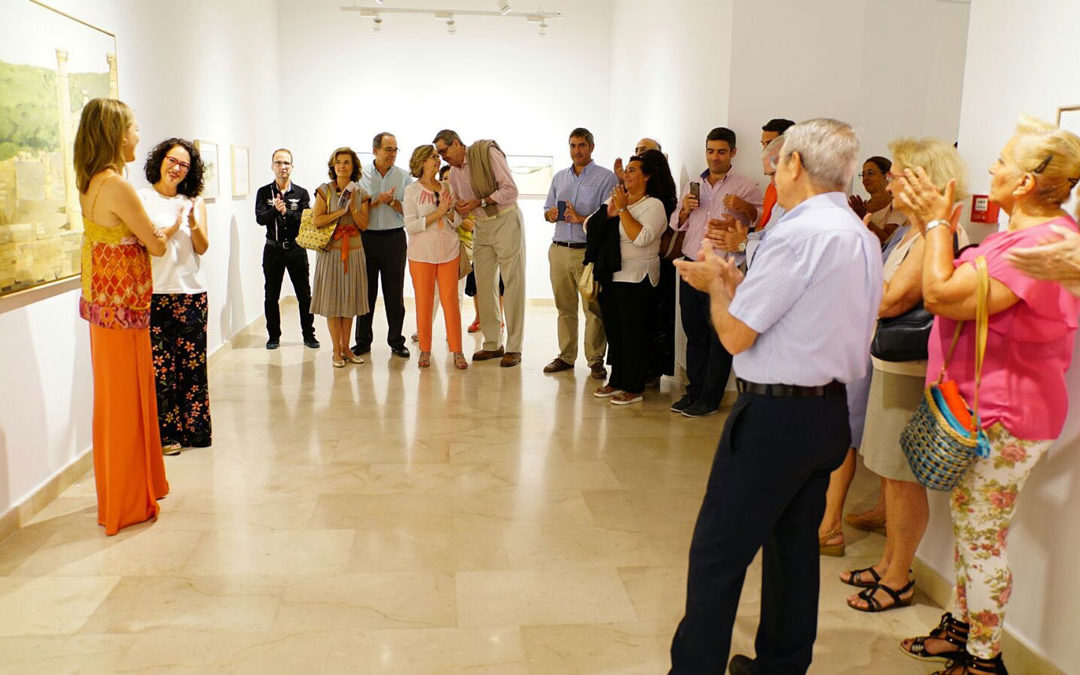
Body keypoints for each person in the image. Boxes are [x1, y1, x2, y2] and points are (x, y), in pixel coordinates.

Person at [668, 118, 882, 674]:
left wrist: (716, 284)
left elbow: (738, 334)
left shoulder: (797, 233)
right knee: (793, 551)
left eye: (776, 158)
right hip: (826, 412)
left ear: (794, 165)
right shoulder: (856, 232)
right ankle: (781, 666)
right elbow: (799, 313)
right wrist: (733, 282)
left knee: (719, 550)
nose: (772, 169)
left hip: (775, 416)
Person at [897, 116, 1080, 675]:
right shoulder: (1016, 237)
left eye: (1003, 161)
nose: (993, 169)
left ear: (1025, 183)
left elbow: (942, 294)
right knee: (972, 526)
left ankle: (984, 659)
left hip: (1006, 415)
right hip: (985, 409)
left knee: (981, 538)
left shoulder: (1047, 245)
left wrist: (934, 227)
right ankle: (962, 627)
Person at [836, 140, 966, 606]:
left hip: (912, 372)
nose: (890, 181)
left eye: (899, 174)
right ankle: (890, 564)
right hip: (891, 363)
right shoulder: (913, 232)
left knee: (903, 476)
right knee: (891, 475)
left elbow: (892, 301)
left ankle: (899, 577)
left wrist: (862, 282)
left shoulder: (938, 233)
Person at [74, 98, 171, 535]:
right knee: (128, 402)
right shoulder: (117, 186)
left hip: (104, 310)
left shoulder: (88, 183)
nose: (138, 135)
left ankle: (130, 488)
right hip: (124, 311)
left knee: (115, 401)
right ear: (116, 134)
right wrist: (157, 233)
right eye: (133, 127)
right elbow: (156, 245)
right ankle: (129, 500)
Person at [669, 127, 763, 418]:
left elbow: (760, 223)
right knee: (693, 333)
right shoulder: (693, 184)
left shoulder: (747, 186)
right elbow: (675, 224)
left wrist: (744, 207)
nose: (715, 157)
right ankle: (694, 391)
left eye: (721, 151)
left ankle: (710, 399)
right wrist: (684, 209)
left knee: (717, 336)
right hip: (692, 266)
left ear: (733, 152)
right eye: (711, 151)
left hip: (722, 270)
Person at [139, 138, 212, 456]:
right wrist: (168, 228)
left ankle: (195, 431)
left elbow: (202, 247)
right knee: (161, 369)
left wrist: (193, 222)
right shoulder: (141, 199)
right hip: (155, 293)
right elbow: (145, 244)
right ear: (160, 160)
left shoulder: (195, 200)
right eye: (172, 160)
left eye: (184, 164)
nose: (177, 168)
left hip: (191, 293)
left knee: (193, 367)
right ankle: (166, 435)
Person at [586, 150, 674, 405]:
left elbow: (642, 237)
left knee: (633, 333)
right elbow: (589, 226)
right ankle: (617, 380)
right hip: (611, 274)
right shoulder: (616, 199)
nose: (627, 174)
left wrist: (622, 210)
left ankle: (634, 386)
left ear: (647, 177)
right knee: (615, 332)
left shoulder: (653, 205)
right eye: (626, 171)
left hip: (638, 278)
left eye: (633, 170)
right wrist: (611, 212)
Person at [433, 129, 524, 367]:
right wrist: (460, 207)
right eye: (438, 153)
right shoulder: (452, 174)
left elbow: (510, 190)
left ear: (456, 144)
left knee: (512, 283)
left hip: (505, 219)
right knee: (484, 284)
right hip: (481, 227)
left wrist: (480, 201)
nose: (442, 157)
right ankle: (493, 344)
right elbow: (463, 209)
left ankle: (514, 348)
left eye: (444, 151)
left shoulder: (487, 153)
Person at [543, 127, 618, 378]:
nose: (577, 151)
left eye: (582, 146)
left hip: (588, 252)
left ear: (591, 148)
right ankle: (566, 356)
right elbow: (547, 209)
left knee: (593, 309)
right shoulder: (560, 178)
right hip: (559, 250)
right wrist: (550, 214)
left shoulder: (606, 178)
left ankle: (595, 359)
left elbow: (609, 218)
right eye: (573, 146)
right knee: (564, 308)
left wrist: (581, 218)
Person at [403, 145, 467, 370]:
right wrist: (437, 214)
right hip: (421, 255)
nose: (437, 160)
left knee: (451, 302)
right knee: (424, 302)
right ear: (422, 161)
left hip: (449, 251)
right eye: (433, 157)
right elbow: (410, 226)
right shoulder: (411, 191)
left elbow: (458, 221)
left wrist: (449, 212)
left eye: (437, 157)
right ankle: (425, 350)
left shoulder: (448, 186)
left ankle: (457, 350)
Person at [310, 147, 370, 368]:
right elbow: (317, 220)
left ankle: (347, 347)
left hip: (354, 252)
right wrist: (340, 213)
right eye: (338, 162)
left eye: (347, 162)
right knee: (333, 302)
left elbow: (364, 225)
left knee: (349, 301)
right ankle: (336, 350)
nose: (342, 166)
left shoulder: (361, 192)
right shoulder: (324, 190)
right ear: (333, 167)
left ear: (353, 166)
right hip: (330, 253)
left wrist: (353, 208)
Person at [353, 132, 411, 359]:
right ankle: (362, 341)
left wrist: (394, 202)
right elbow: (354, 208)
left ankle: (396, 341)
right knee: (365, 293)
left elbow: (412, 210)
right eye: (388, 149)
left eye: (396, 150)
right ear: (375, 150)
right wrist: (376, 201)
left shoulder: (404, 177)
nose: (393, 154)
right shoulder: (361, 176)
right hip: (366, 239)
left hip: (394, 240)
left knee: (394, 294)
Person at [254, 149, 317, 350]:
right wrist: (274, 209)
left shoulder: (301, 193)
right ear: (272, 166)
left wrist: (287, 211)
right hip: (273, 250)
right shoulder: (264, 192)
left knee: (304, 295)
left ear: (292, 166)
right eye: (278, 163)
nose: (283, 167)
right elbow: (260, 218)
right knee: (271, 295)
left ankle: (309, 335)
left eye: (286, 163)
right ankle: (273, 336)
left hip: (296, 250)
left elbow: (307, 220)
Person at [849, 156, 907, 245]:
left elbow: (886, 241)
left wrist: (863, 216)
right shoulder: (862, 206)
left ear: (886, 176)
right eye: (863, 174)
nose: (865, 178)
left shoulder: (897, 205)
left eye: (870, 173)